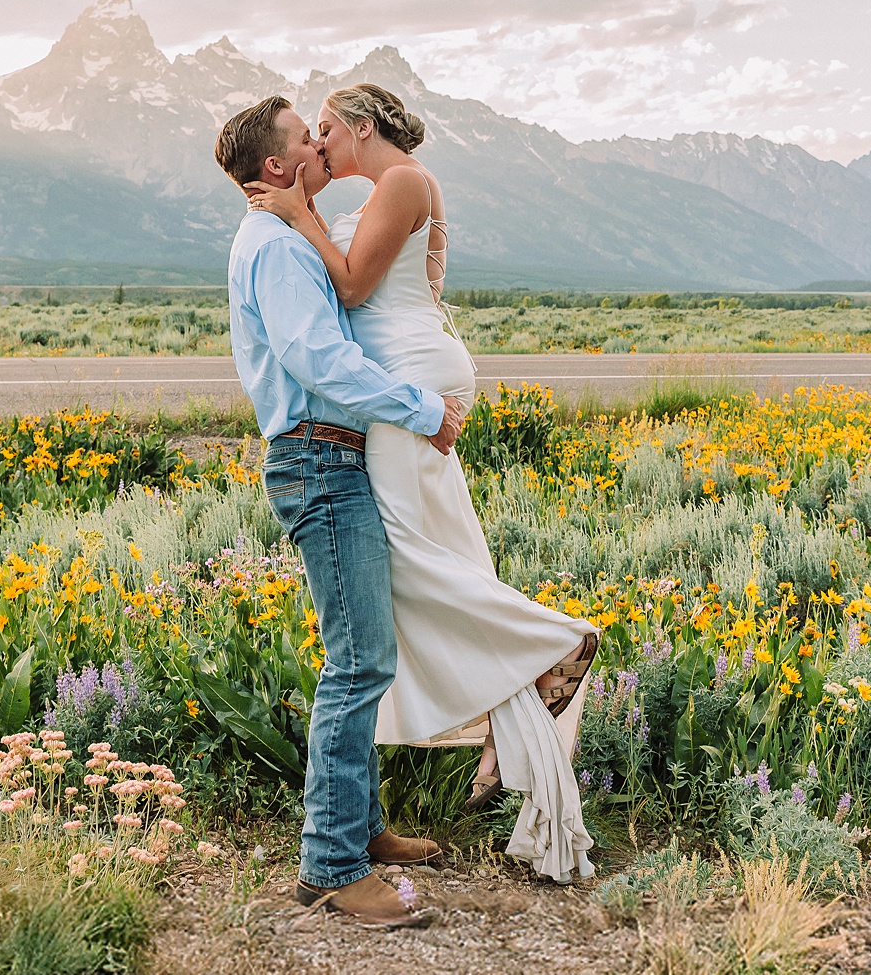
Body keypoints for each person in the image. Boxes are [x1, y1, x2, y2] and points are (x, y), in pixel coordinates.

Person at [242, 83, 599, 884]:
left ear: (364, 127)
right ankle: (511, 707)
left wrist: (297, 213)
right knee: (435, 555)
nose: (321, 143)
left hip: (408, 381)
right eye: (311, 133)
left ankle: (552, 643)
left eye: (327, 129)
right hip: (407, 376)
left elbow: (353, 288)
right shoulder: (384, 192)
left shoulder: (402, 179)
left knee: (401, 550)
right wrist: (304, 212)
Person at [215, 96, 463, 930]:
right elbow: (321, 359)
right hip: (318, 459)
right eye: (305, 138)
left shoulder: (290, 235)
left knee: (363, 652)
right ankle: (329, 864)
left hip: (329, 455)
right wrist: (421, 408)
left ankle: (359, 825)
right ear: (278, 166)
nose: (319, 146)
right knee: (357, 661)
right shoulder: (278, 248)